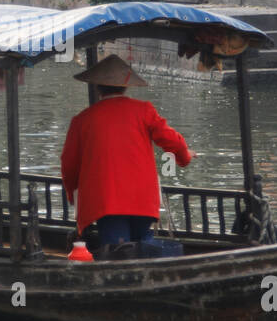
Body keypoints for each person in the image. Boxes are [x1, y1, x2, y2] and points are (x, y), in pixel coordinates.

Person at [60, 55, 192, 258]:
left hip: (106, 199)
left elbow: (69, 165)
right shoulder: (144, 111)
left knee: (117, 254)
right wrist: (184, 157)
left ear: (97, 88)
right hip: (142, 197)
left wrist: (72, 195)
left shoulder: (82, 120)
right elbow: (172, 141)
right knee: (144, 249)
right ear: (125, 86)